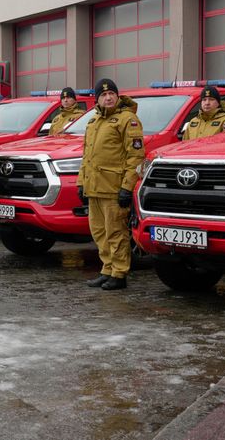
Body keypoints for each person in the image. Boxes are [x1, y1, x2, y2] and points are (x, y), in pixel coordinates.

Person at [77, 78, 145, 290]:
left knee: (116, 232)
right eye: (103, 95)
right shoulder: (93, 121)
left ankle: (119, 273)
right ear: (97, 98)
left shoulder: (128, 120)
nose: (108, 98)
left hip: (113, 188)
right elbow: (86, 156)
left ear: (117, 96)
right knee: (99, 232)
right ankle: (107, 269)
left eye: (111, 94)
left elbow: (135, 156)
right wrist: (81, 183)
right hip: (94, 187)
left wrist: (127, 187)